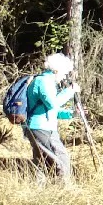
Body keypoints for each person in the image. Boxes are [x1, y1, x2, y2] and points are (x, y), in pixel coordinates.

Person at [23, 52, 77, 181]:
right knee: (61, 158)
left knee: (41, 161)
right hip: (42, 127)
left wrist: (70, 114)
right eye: (64, 73)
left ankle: (38, 190)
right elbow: (52, 104)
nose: (64, 77)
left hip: (38, 126)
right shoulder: (44, 81)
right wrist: (70, 91)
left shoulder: (44, 81)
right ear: (56, 70)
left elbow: (49, 109)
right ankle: (64, 188)